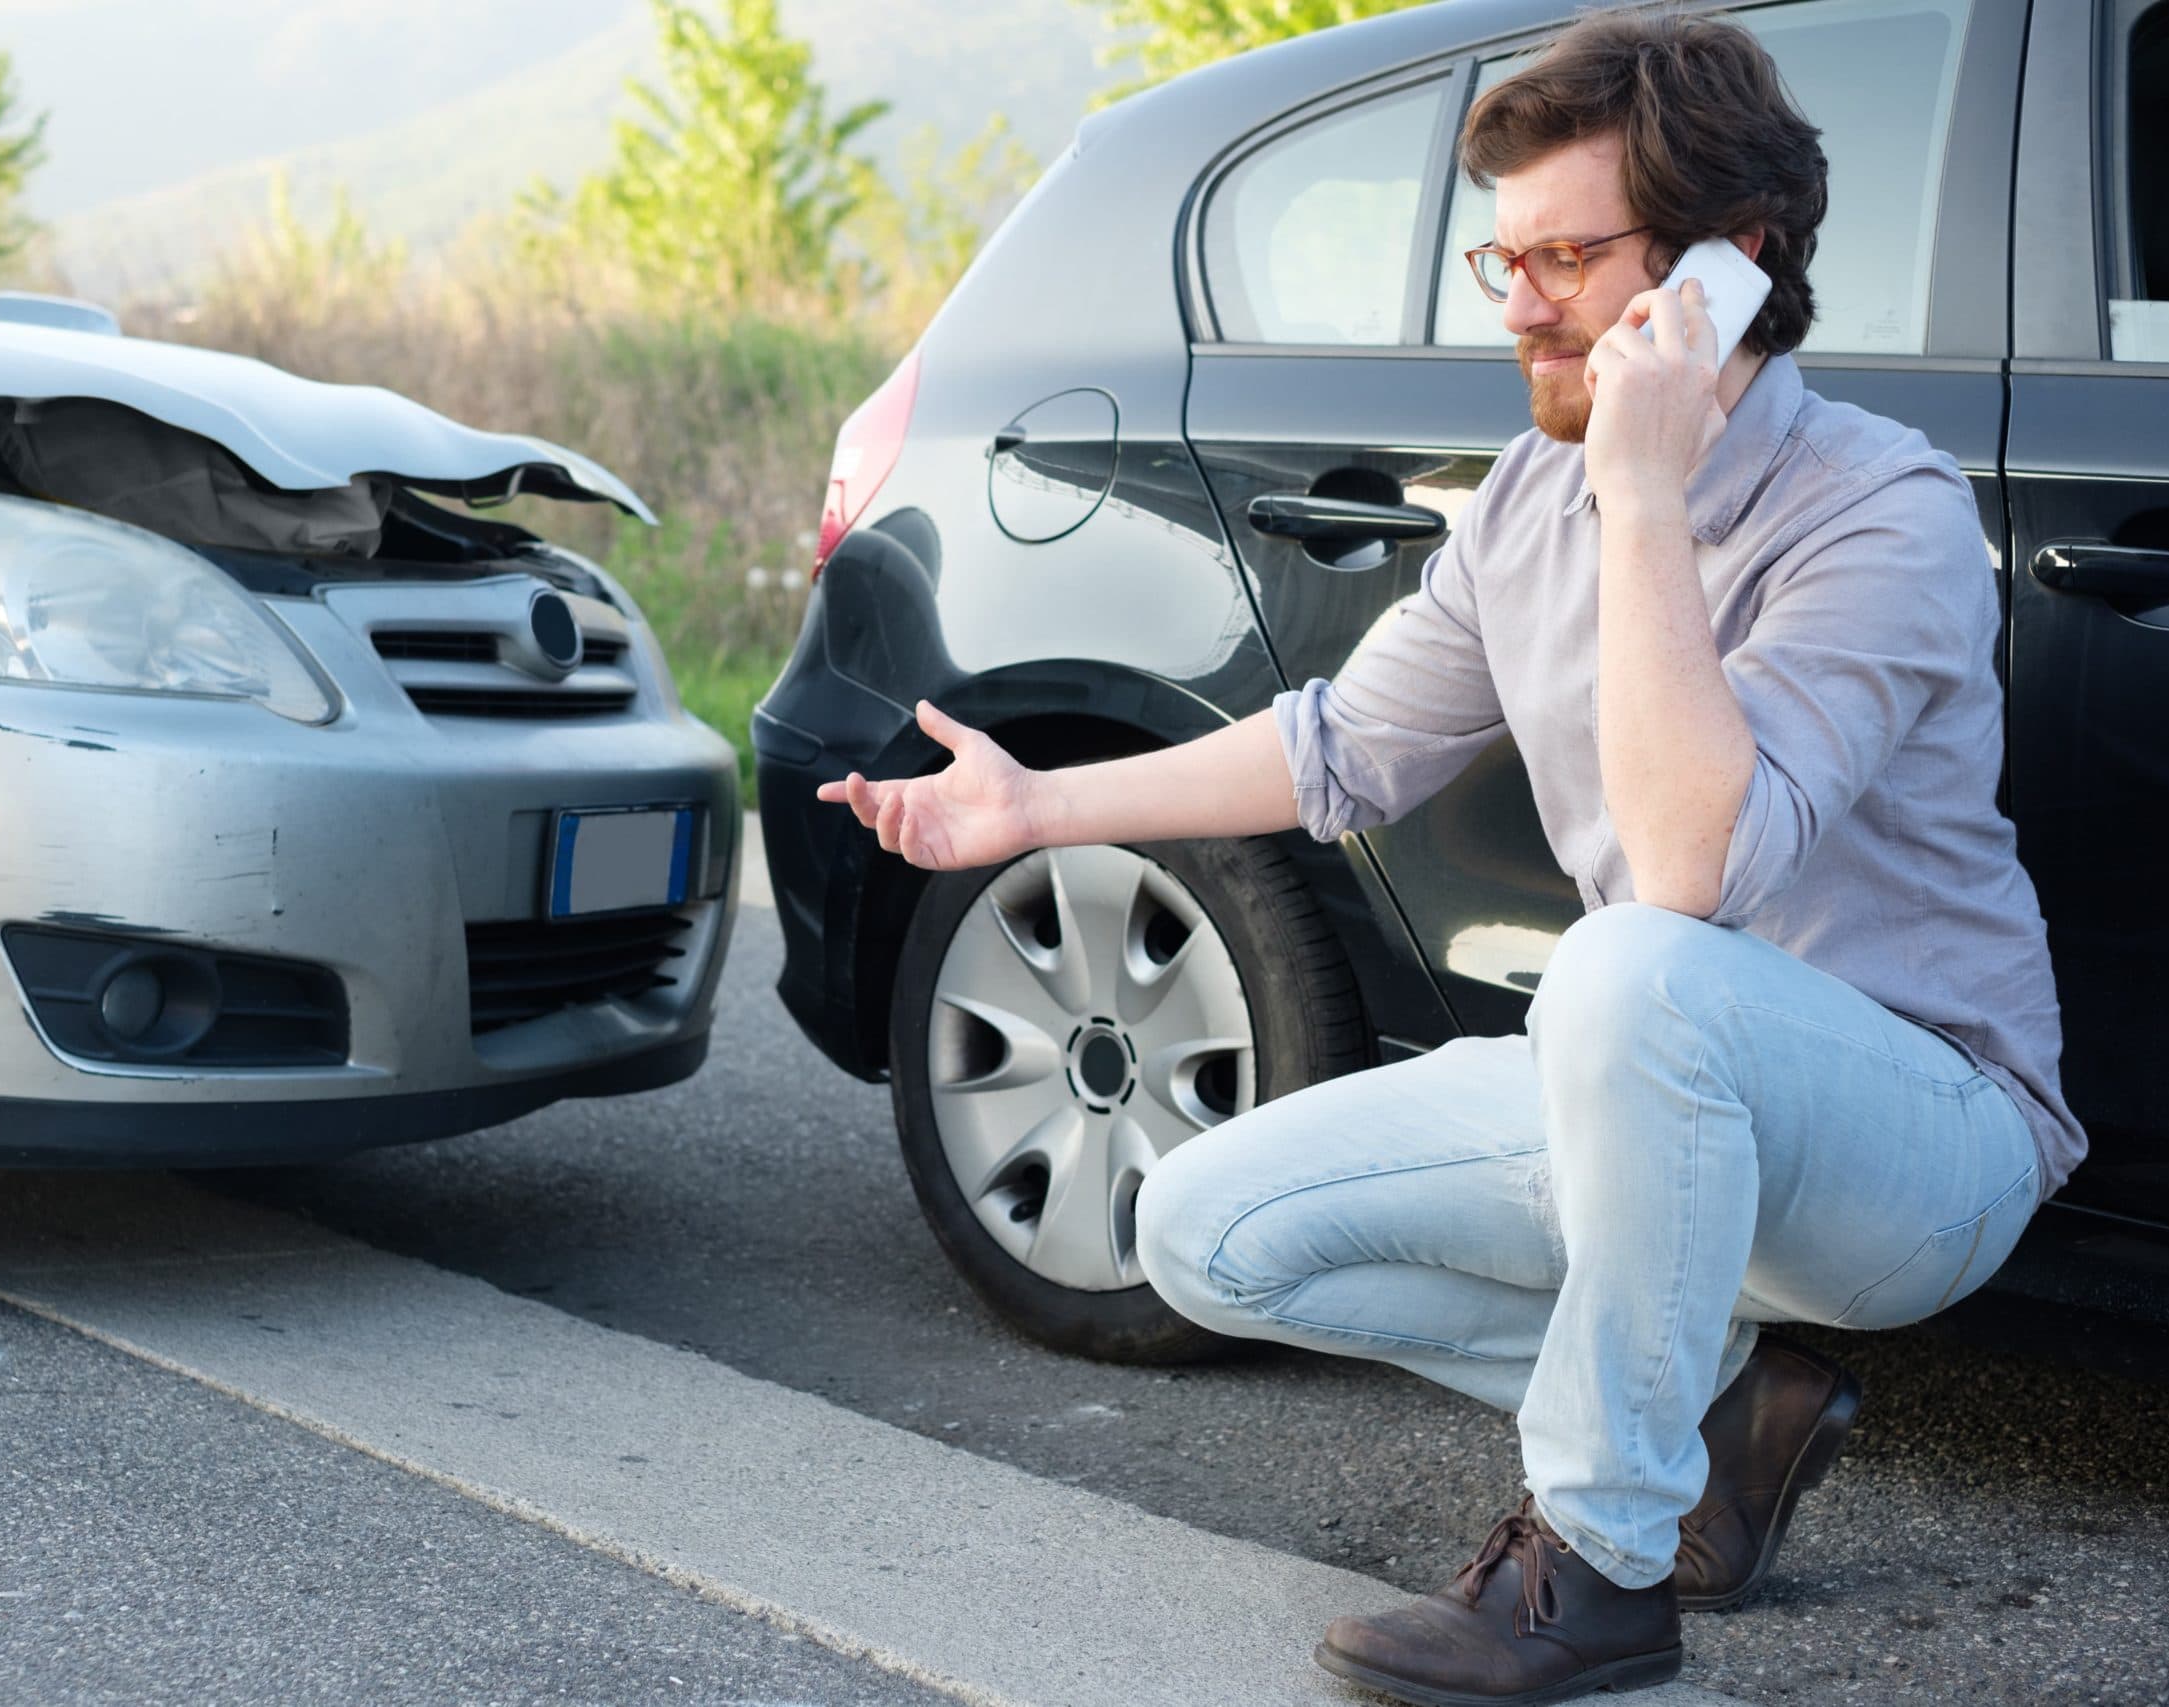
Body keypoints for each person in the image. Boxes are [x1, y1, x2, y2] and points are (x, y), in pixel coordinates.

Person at [817, 8, 2085, 1704]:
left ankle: (1602, 1567)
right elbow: (1341, 748)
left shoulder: (1885, 512)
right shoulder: (1521, 506)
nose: (1521, 305)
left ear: (1730, 262)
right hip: (1650, 1093)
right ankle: (1701, 1412)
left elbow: (1691, 865)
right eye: (1504, 258)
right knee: (1200, 1226)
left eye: (1567, 256)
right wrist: (1034, 806)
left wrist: (1645, 497)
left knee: (1634, 962)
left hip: (1920, 1136)